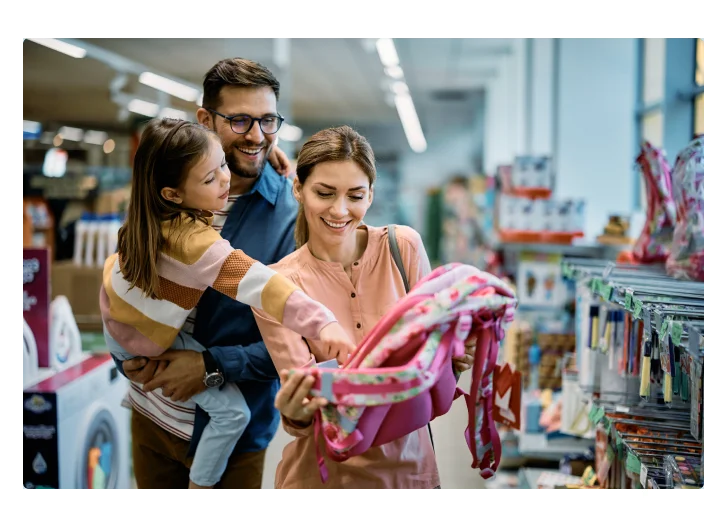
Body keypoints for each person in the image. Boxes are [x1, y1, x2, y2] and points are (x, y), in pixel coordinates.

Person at [101, 116, 355, 491]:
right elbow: (266, 286)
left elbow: (178, 150)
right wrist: (323, 323)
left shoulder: (147, 212)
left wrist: (266, 157)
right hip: (145, 351)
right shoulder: (198, 245)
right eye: (210, 177)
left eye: (223, 163)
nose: (225, 178)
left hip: (120, 329)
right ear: (172, 192)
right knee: (233, 413)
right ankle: (202, 486)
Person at [252, 125, 476, 491]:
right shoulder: (278, 286)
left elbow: (435, 377)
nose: (340, 210)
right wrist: (294, 412)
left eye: (355, 195)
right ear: (299, 189)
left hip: (411, 477)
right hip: (322, 484)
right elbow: (303, 413)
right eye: (324, 193)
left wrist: (453, 358)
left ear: (371, 194)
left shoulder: (402, 249)